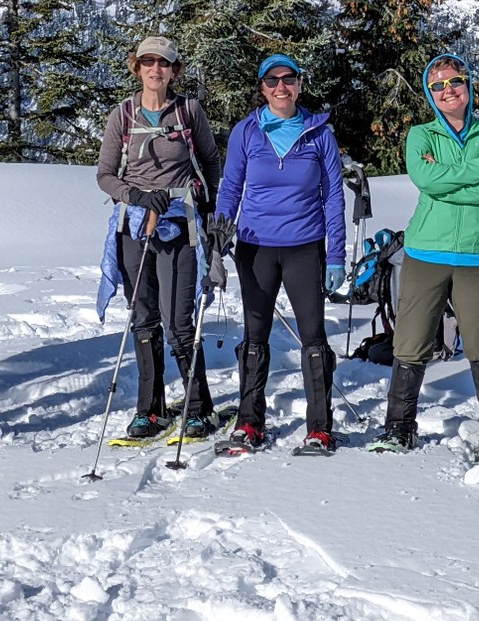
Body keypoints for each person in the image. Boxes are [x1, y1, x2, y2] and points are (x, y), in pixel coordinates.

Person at [371, 52, 479, 461]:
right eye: (437, 85)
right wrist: (477, 169)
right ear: (429, 93)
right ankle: (398, 428)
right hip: (426, 252)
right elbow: (424, 179)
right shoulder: (421, 135)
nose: (447, 90)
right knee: (411, 341)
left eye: (454, 81)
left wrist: (445, 183)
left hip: (477, 255)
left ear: (467, 85)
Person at [212, 54, 347, 453]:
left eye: (288, 79)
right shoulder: (246, 132)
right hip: (255, 247)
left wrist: (336, 255)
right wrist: (220, 232)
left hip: (305, 246)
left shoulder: (319, 133)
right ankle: (249, 423)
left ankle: (320, 428)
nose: (281, 87)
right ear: (262, 87)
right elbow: (231, 186)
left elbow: (334, 196)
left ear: (300, 84)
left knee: (313, 338)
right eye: (272, 81)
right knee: (254, 335)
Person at [95, 35, 222, 441]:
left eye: (163, 63)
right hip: (134, 225)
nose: (155, 69)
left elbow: (210, 160)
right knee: (144, 318)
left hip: (180, 223)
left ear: (173, 70)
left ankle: (199, 408)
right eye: (148, 61)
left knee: (179, 321)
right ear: (137, 67)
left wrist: (210, 208)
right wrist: (135, 196)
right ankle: (150, 410)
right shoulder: (123, 114)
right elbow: (105, 175)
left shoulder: (189, 111)